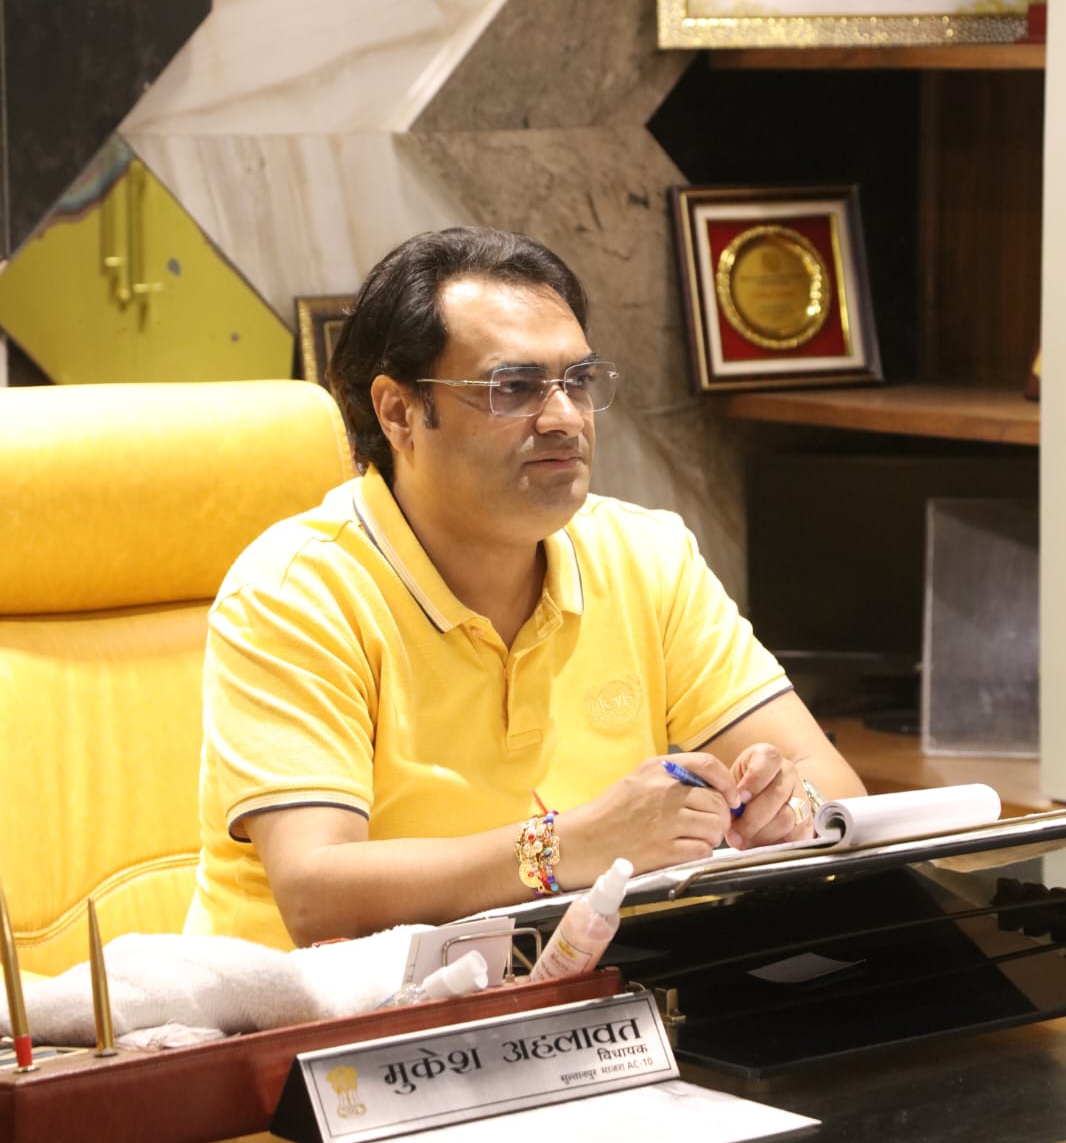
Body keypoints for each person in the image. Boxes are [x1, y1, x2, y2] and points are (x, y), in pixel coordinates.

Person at [185, 228, 865, 949]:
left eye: (578, 381)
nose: (565, 418)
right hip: (327, 1009)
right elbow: (317, 895)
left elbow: (833, 785)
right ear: (398, 413)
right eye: (513, 388)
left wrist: (787, 805)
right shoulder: (295, 591)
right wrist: (568, 846)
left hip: (592, 989)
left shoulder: (645, 555)